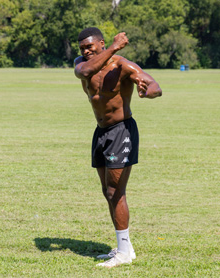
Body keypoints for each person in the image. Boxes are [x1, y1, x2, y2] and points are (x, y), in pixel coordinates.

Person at [74, 27, 162, 268]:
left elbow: (154, 85)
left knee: (116, 192)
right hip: (100, 132)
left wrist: (148, 92)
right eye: (82, 48)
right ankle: (126, 248)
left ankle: (123, 252)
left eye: (90, 46)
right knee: (107, 191)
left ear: (101, 43)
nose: (86, 51)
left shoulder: (122, 65)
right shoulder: (82, 64)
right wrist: (114, 46)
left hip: (121, 131)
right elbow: (85, 71)